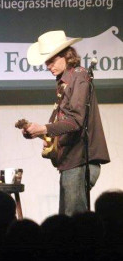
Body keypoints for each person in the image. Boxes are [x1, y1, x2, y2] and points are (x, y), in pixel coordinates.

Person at [21, 30, 110, 216]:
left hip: (80, 162)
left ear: (66, 56)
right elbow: (67, 123)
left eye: (51, 61)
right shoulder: (65, 81)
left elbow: (76, 121)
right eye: (46, 62)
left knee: (73, 225)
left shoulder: (79, 75)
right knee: (68, 224)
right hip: (71, 162)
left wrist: (44, 128)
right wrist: (38, 132)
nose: (48, 66)